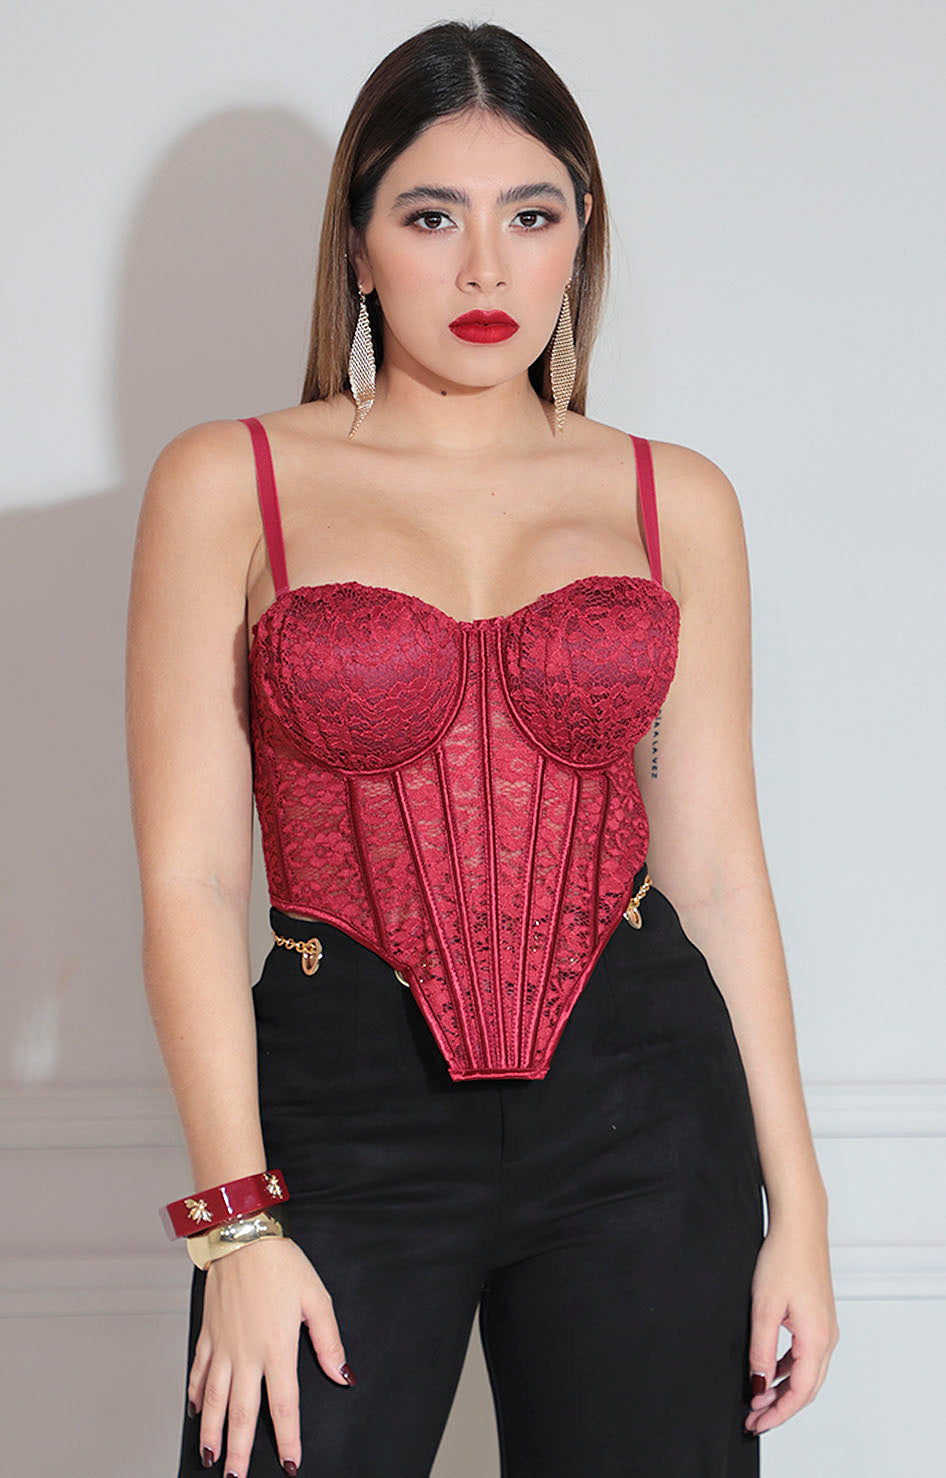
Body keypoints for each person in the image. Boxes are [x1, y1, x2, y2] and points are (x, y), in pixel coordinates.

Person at [125, 19, 838, 1478]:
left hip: (647, 1111)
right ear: (358, 242)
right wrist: (238, 1224)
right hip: (340, 1110)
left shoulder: (672, 499)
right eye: (431, 217)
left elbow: (717, 871)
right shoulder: (231, 481)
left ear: (580, 234)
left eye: (531, 216)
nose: (484, 271)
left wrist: (803, 1209)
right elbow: (190, 878)